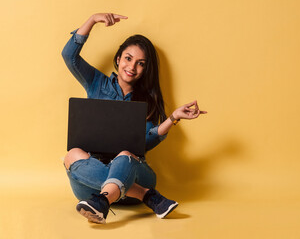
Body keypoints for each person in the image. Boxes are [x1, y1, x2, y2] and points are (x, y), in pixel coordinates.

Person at [61, 13, 207, 224]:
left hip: (133, 174)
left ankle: (106, 199)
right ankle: (146, 195)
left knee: (126, 154)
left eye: (140, 63)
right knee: (72, 154)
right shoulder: (96, 83)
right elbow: (69, 56)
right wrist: (92, 20)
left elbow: (144, 144)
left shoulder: (145, 102)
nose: (132, 67)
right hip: (90, 189)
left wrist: (173, 117)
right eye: (128, 59)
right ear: (119, 59)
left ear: (145, 69)